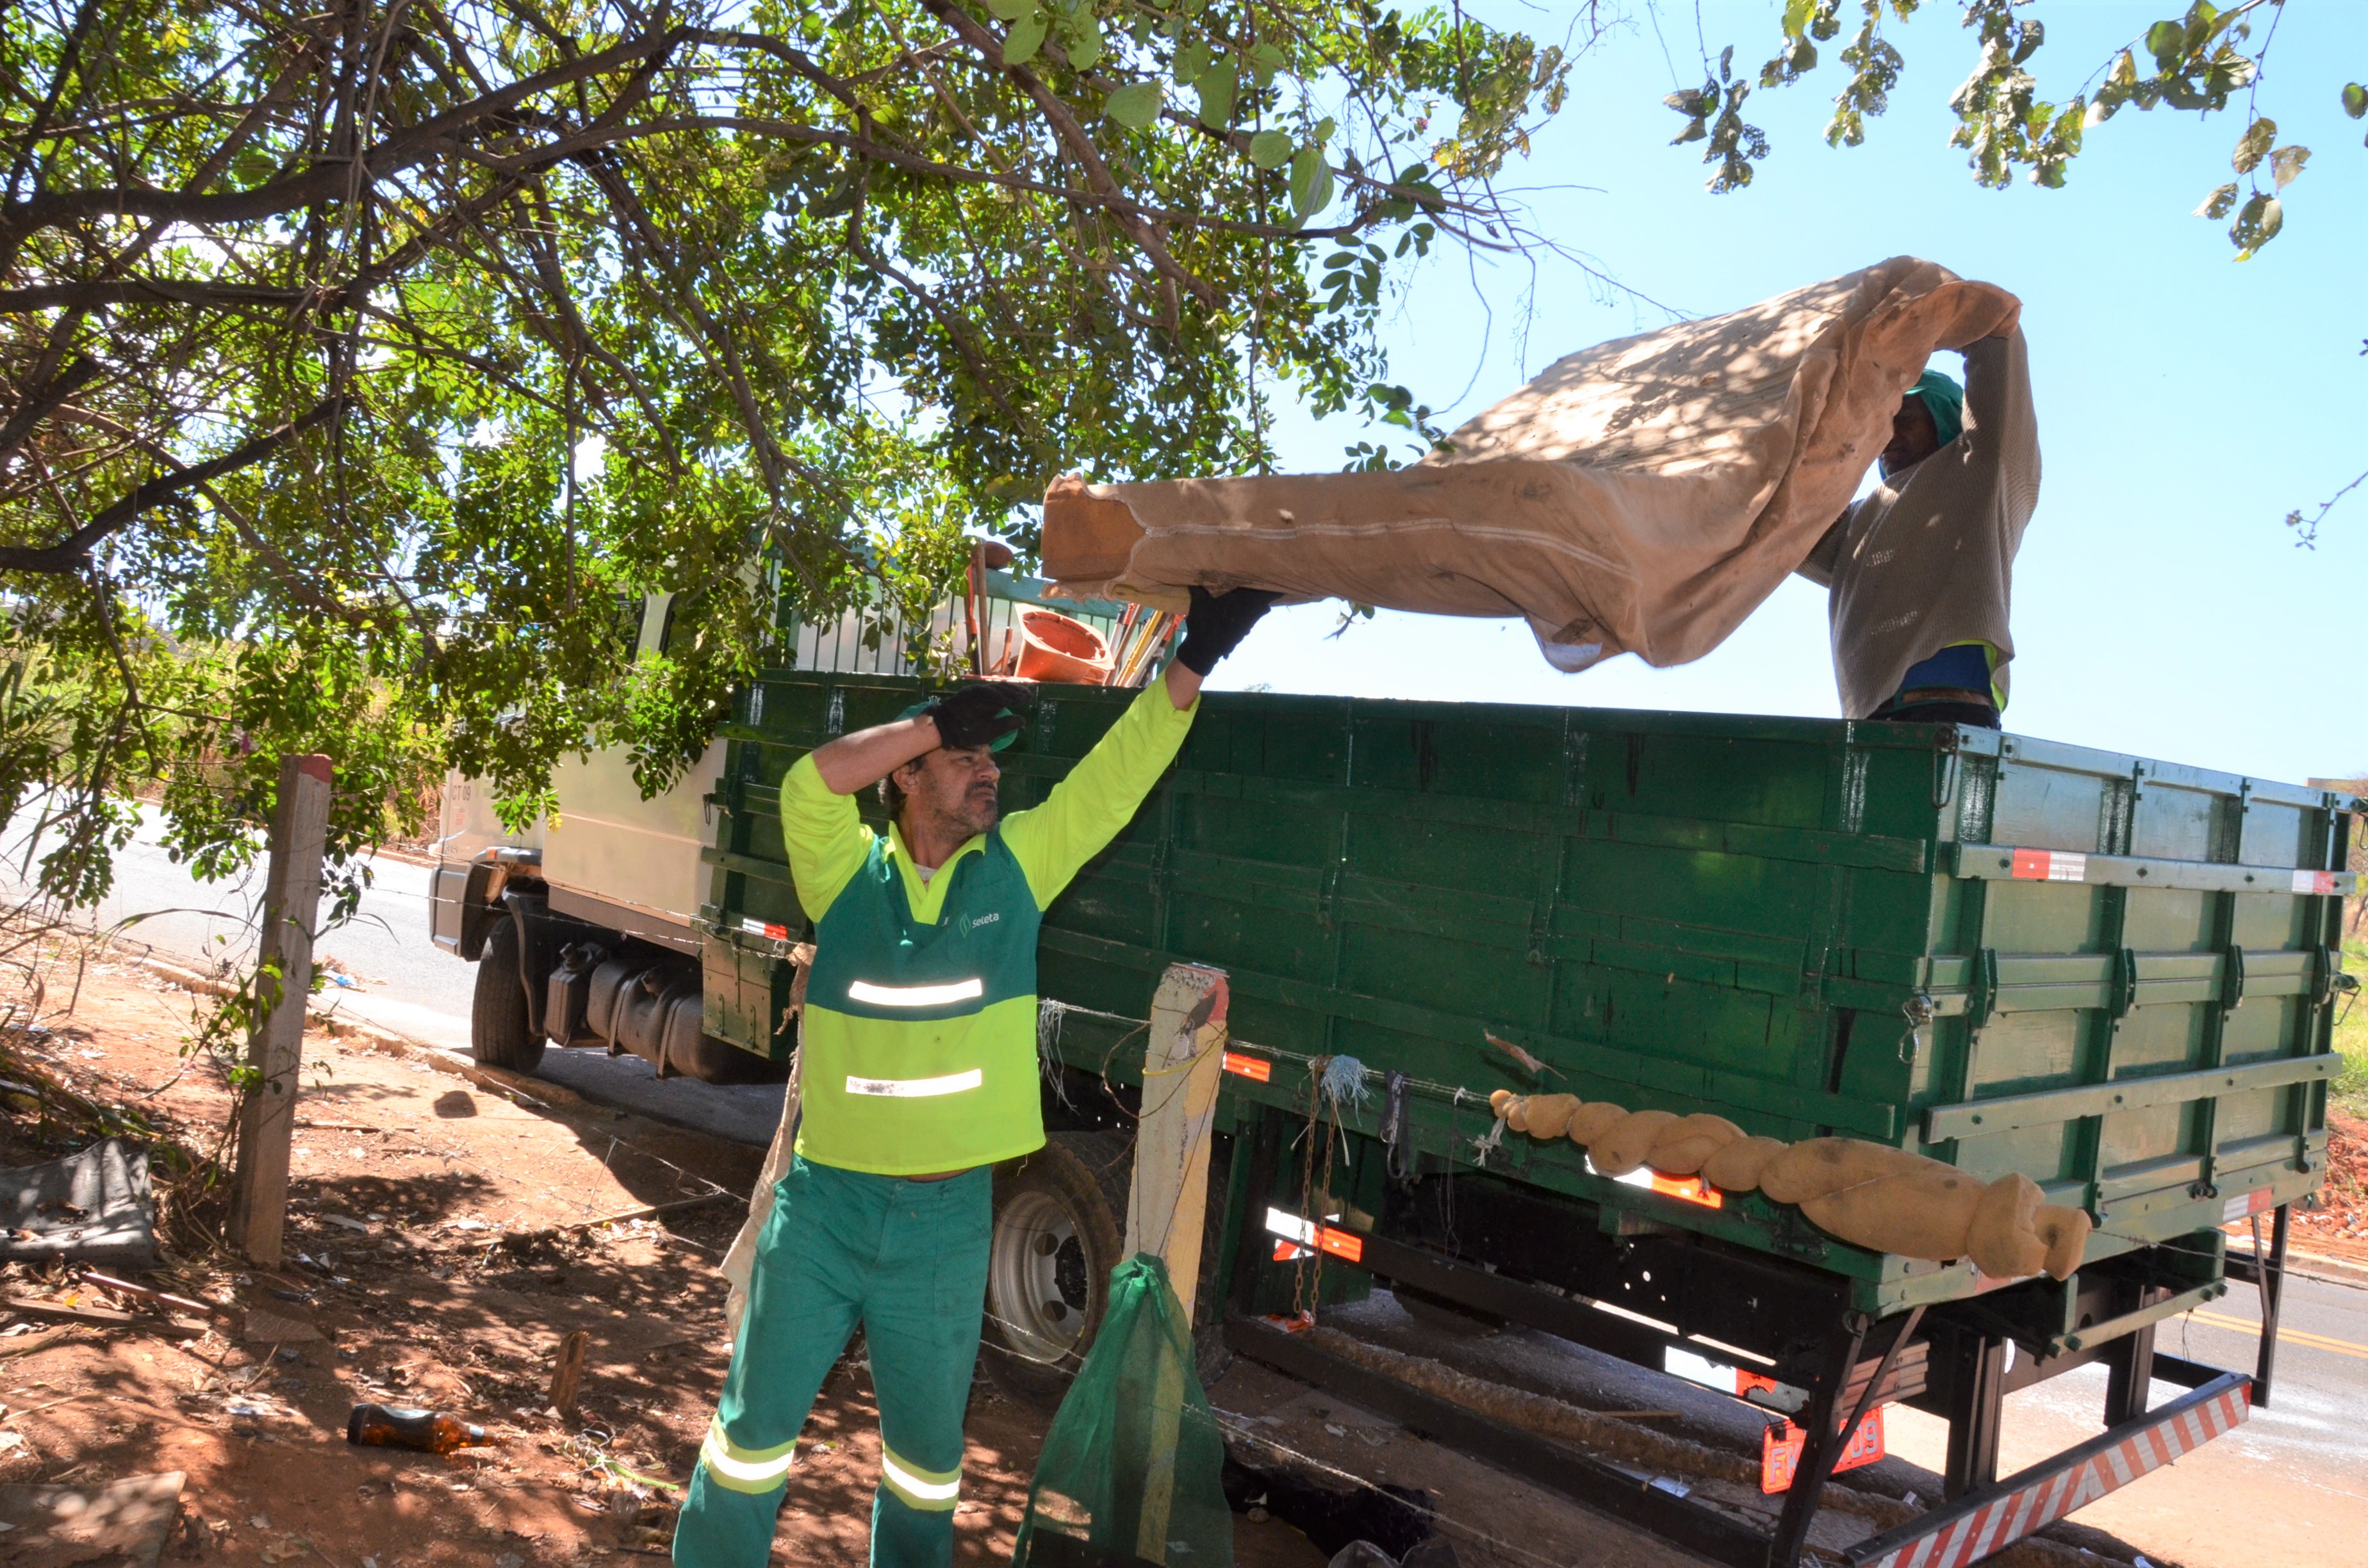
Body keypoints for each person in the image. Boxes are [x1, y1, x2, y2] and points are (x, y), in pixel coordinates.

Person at [673, 586, 1278, 1568]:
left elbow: (1114, 778)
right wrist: (931, 721)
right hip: (824, 1210)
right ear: (906, 780)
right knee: (749, 1445)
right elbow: (806, 784)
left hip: (947, 1224)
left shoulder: (1018, 867)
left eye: (990, 758)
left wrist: (1195, 658)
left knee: (926, 1469)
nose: (987, 773)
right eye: (964, 760)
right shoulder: (844, 877)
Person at [1795, 332, 2039, 728]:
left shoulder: (1981, 474)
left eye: (1905, 419)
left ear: (1943, 415)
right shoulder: (1860, 521)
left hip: (1948, 707)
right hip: (1871, 718)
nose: (1887, 438)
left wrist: (1951, 321)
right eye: (1878, 428)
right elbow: (1780, 523)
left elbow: (1998, 350)